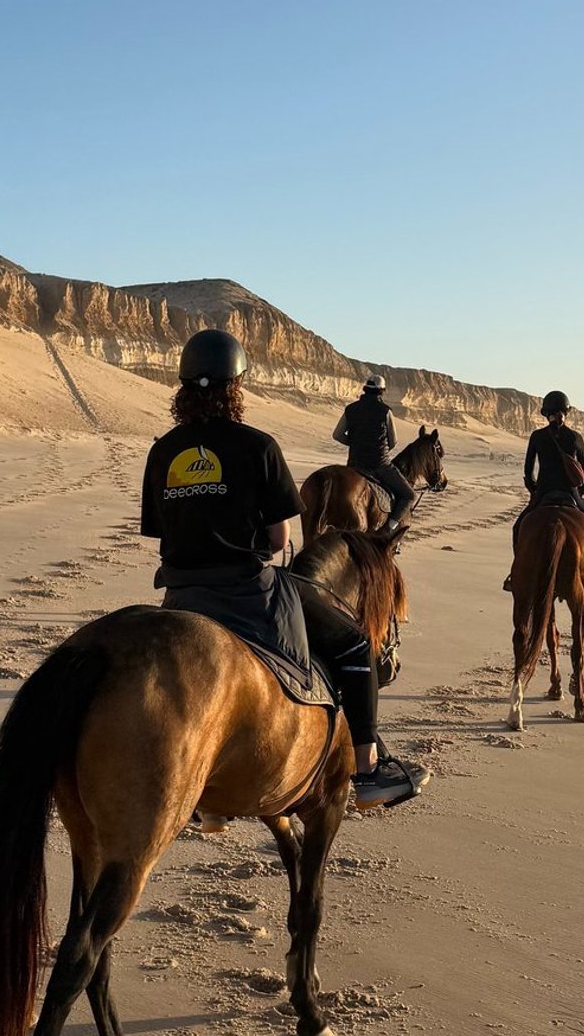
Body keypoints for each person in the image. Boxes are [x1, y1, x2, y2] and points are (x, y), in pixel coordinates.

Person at [140, 329, 416, 811]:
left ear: (184, 389)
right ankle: (368, 769)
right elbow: (279, 540)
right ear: (236, 388)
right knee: (353, 643)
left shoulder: (164, 451)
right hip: (247, 589)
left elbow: (162, 533)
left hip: (181, 595)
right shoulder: (257, 446)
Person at [518, 391, 584, 592]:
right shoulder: (575, 437)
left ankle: (517, 575)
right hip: (570, 495)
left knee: (518, 528)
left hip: (543, 494)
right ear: (566, 411)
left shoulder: (537, 437)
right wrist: (578, 493)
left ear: (546, 413)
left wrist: (535, 491)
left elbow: (528, 471)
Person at [332, 374, 415, 529]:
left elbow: (337, 435)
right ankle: (389, 528)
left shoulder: (351, 409)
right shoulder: (385, 412)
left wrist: (355, 444)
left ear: (365, 389)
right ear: (381, 391)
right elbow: (393, 441)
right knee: (409, 495)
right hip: (379, 465)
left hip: (354, 464)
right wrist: (377, 450)